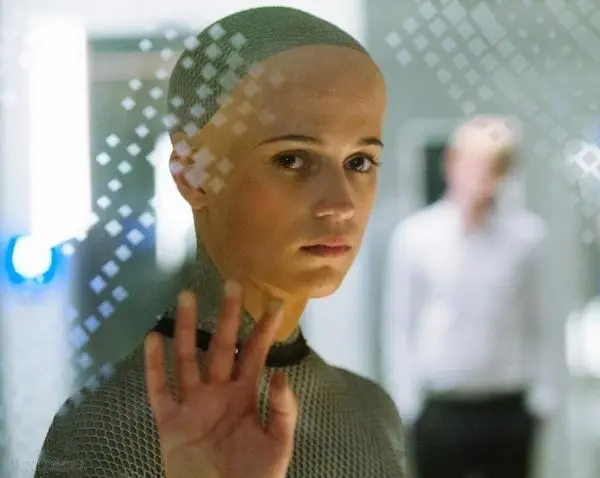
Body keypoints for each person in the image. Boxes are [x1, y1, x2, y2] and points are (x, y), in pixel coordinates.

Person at [34, 6, 407, 478]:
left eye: (359, 162)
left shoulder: (372, 415)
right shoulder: (109, 431)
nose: (341, 204)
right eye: (292, 159)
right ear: (191, 172)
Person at [382, 116, 563, 478]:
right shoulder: (415, 238)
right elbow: (400, 324)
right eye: (477, 164)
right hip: (440, 408)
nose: (484, 178)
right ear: (452, 163)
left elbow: (543, 321)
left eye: (496, 167)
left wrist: (544, 398)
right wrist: (406, 403)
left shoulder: (527, 239)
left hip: (507, 408)